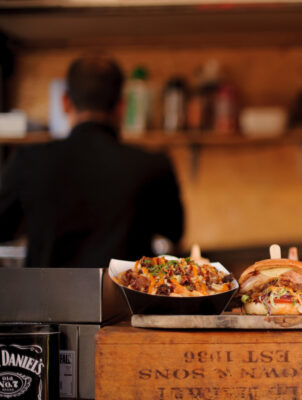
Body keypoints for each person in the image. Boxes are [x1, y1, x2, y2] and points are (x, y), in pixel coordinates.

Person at [0, 53, 184, 268]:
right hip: (125, 300)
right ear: (121, 107)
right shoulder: (153, 165)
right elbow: (175, 232)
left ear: (65, 102)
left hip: (45, 300)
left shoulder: (28, 162)